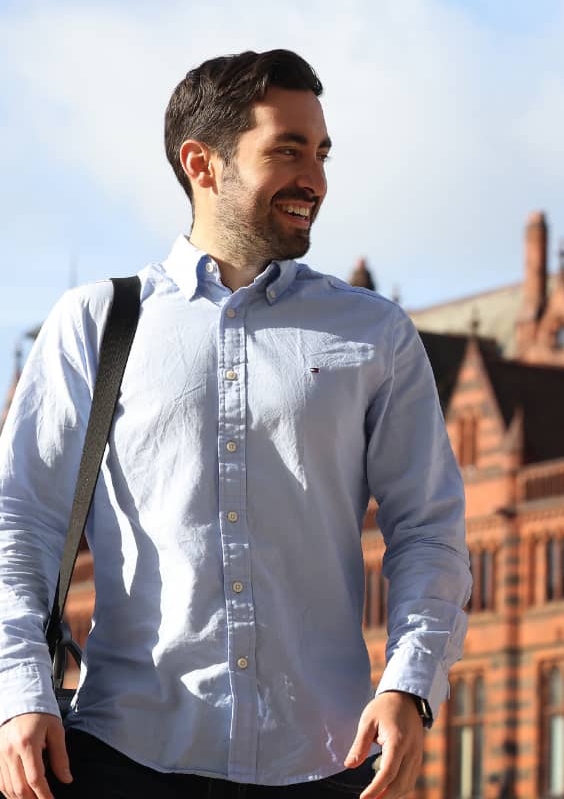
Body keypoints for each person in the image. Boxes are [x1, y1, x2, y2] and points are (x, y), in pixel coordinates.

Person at [0, 50, 470, 799]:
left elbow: (429, 528)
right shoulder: (96, 324)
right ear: (202, 164)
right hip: (127, 755)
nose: (314, 178)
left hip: (326, 761)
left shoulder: (374, 334)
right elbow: (20, 521)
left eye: (320, 153)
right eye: (286, 150)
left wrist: (411, 685)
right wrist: (20, 690)